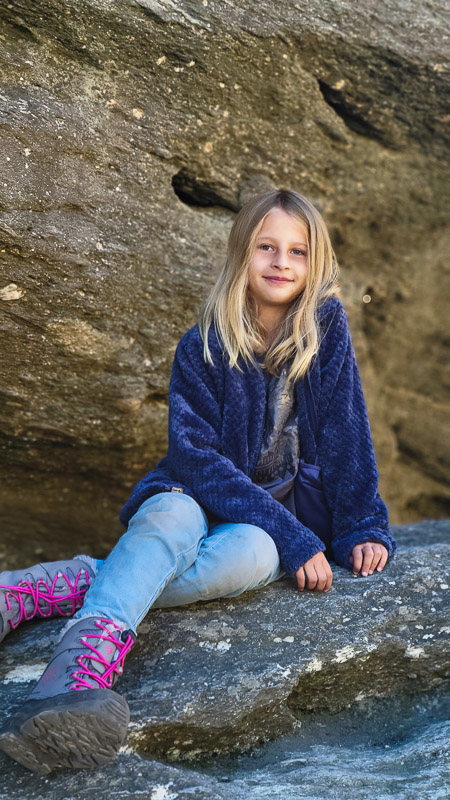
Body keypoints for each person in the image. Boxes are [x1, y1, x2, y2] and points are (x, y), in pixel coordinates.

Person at [0, 188, 397, 775]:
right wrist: (295, 538)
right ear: (242, 254)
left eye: (298, 251)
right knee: (166, 521)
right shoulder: (204, 345)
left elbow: (346, 437)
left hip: (264, 524)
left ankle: (52, 588)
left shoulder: (324, 336)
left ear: (316, 264)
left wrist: (362, 525)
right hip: (194, 492)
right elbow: (193, 458)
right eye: (266, 247)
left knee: (249, 558)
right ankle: (75, 676)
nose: (281, 262)